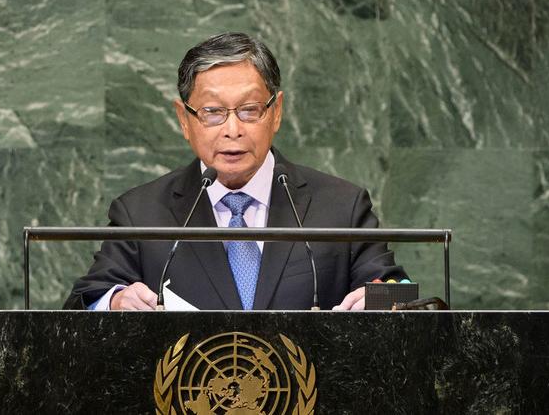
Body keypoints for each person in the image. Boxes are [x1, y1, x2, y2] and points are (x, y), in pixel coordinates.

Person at [63, 32, 406, 311]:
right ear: (184, 120)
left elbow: (403, 291)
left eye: (249, 110)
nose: (232, 130)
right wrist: (115, 301)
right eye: (212, 112)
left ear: (276, 112)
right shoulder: (140, 214)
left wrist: (380, 300)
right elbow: (84, 303)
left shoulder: (341, 206)